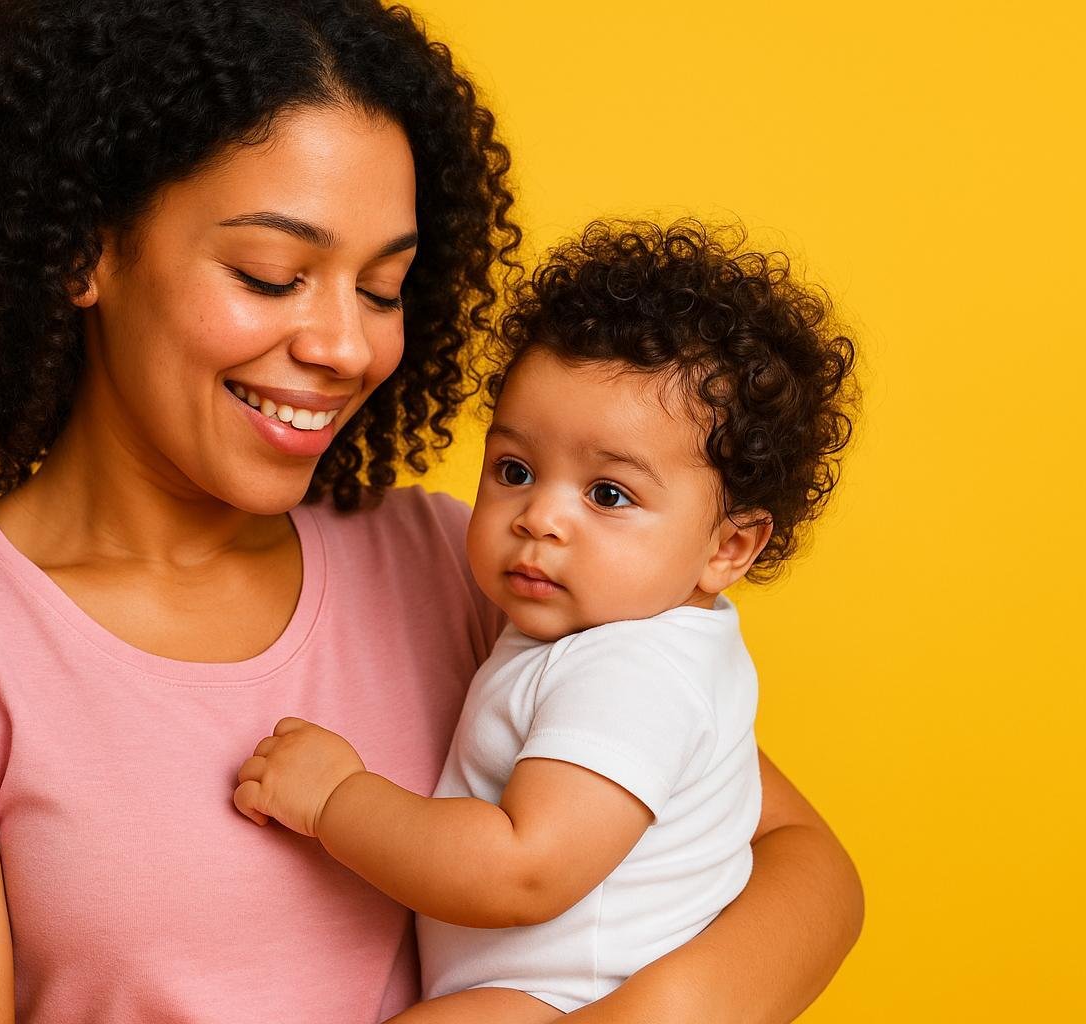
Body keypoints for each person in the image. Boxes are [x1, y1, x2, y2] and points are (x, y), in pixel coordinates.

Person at [0, 2, 864, 1021]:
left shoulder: (470, 561)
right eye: (272, 273)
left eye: (382, 290)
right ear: (83, 248)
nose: (345, 346)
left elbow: (801, 865)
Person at [234, 219, 858, 1021]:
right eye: (516, 470)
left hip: (567, 999)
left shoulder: (632, 670)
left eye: (608, 494)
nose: (540, 518)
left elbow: (523, 871)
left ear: (729, 546)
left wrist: (337, 800)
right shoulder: (626, 637)